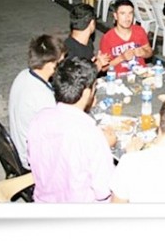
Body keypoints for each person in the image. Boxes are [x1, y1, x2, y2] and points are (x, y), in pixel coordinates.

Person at [27, 57, 117, 202]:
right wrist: (105, 148)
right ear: (87, 92)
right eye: (94, 87)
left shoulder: (39, 118)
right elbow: (104, 190)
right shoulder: (91, 135)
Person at [8, 35, 67, 169]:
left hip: (20, 146)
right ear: (51, 65)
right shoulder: (42, 96)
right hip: (31, 160)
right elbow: (57, 137)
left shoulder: (23, 74)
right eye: (60, 62)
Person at [99, 0, 153, 74]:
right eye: (123, 13)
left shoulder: (139, 30)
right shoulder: (107, 38)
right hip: (120, 77)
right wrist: (121, 58)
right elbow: (103, 68)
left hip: (141, 73)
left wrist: (143, 53)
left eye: (130, 13)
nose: (127, 17)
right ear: (115, 16)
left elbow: (150, 52)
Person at [64, 3, 110, 72]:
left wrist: (96, 61)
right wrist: (98, 65)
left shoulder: (87, 42)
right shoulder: (70, 53)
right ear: (92, 23)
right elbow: (78, 77)